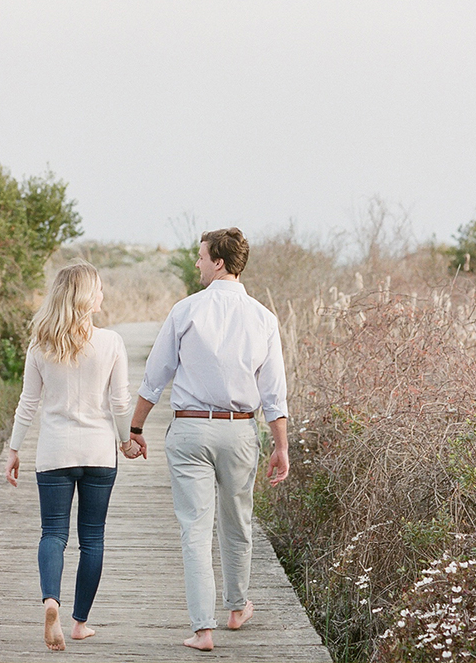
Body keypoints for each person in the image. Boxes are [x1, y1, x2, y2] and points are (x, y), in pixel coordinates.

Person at [124, 227, 290, 652]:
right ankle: (236, 608)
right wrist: (281, 446)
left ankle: (203, 630)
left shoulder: (186, 310)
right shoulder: (263, 318)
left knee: (194, 530)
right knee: (238, 522)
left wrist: (136, 429)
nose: (197, 263)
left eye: (201, 256)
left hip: (191, 429)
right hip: (239, 430)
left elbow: (154, 378)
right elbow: (274, 394)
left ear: (218, 261)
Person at [3, 261, 139, 652]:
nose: (102, 295)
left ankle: (51, 602)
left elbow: (28, 403)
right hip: (99, 451)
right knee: (92, 537)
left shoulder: (40, 345)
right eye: (99, 289)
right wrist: (126, 441)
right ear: (86, 297)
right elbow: (119, 403)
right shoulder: (111, 342)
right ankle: (79, 624)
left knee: (53, 534)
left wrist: (14, 448)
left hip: (54, 451)